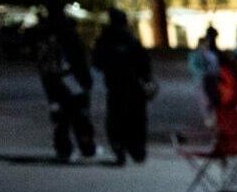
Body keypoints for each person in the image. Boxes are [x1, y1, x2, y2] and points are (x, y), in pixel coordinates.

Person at [93, 10, 155, 165]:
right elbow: (144, 62)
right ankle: (137, 151)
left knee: (116, 120)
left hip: (116, 86)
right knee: (136, 120)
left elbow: (97, 61)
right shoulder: (131, 39)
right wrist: (146, 79)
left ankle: (119, 147)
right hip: (133, 86)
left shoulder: (106, 39)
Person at [36, 11, 97, 161]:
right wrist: (86, 84)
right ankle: (85, 147)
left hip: (56, 84)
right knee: (80, 117)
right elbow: (83, 64)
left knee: (61, 119)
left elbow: (44, 67)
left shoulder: (48, 42)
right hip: (74, 84)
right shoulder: (74, 41)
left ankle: (64, 149)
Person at [190, 25, 223, 123]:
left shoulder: (211, 54)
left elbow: (216, 66)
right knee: (204, 99)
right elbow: (194, 67)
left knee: (212, 98)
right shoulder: (195, 55)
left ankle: (213, 116)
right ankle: (208, 117)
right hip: (202, 79)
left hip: (212, 78)